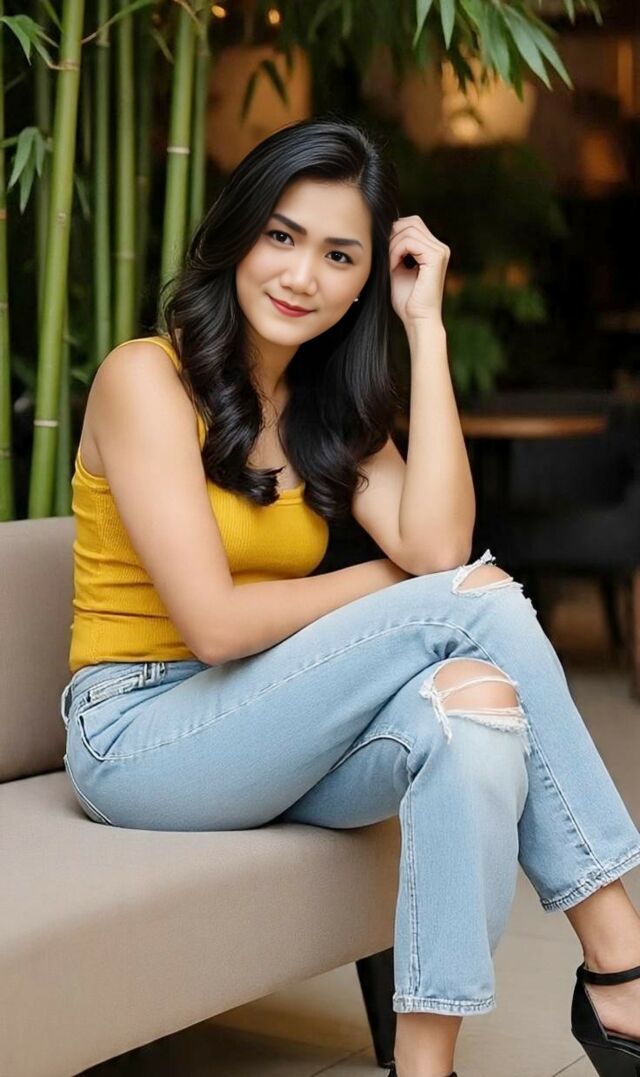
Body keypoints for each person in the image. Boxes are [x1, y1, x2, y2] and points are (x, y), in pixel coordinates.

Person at [59, 117, 640, 1077]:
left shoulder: (321, 406)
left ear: (368, 277)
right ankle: (620, 957)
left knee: (476, 707)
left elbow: (439, 545)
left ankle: (425, 1064)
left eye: (339, 255)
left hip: (269, 723)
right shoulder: (145, 378)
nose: (302, 276)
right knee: (475, 603)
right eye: (281, 236)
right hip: (137, 732)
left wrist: (426, 328)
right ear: (237, 233)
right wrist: (399, 584)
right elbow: (215, 626)